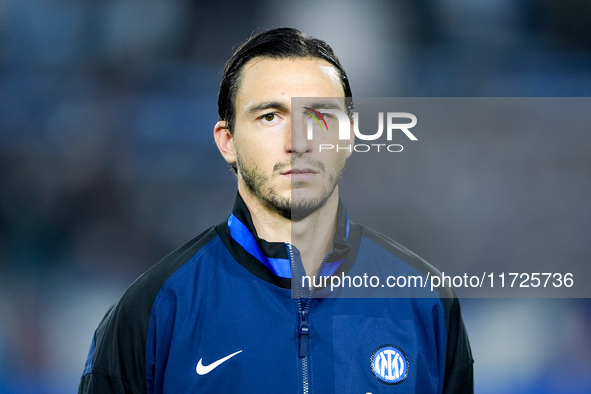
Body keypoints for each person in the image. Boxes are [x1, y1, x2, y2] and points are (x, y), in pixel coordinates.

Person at [79, 27, 473, 393]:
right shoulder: (153, 311)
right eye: (270, 117)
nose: (298, 142)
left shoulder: (426, 301)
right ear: (228, 140)